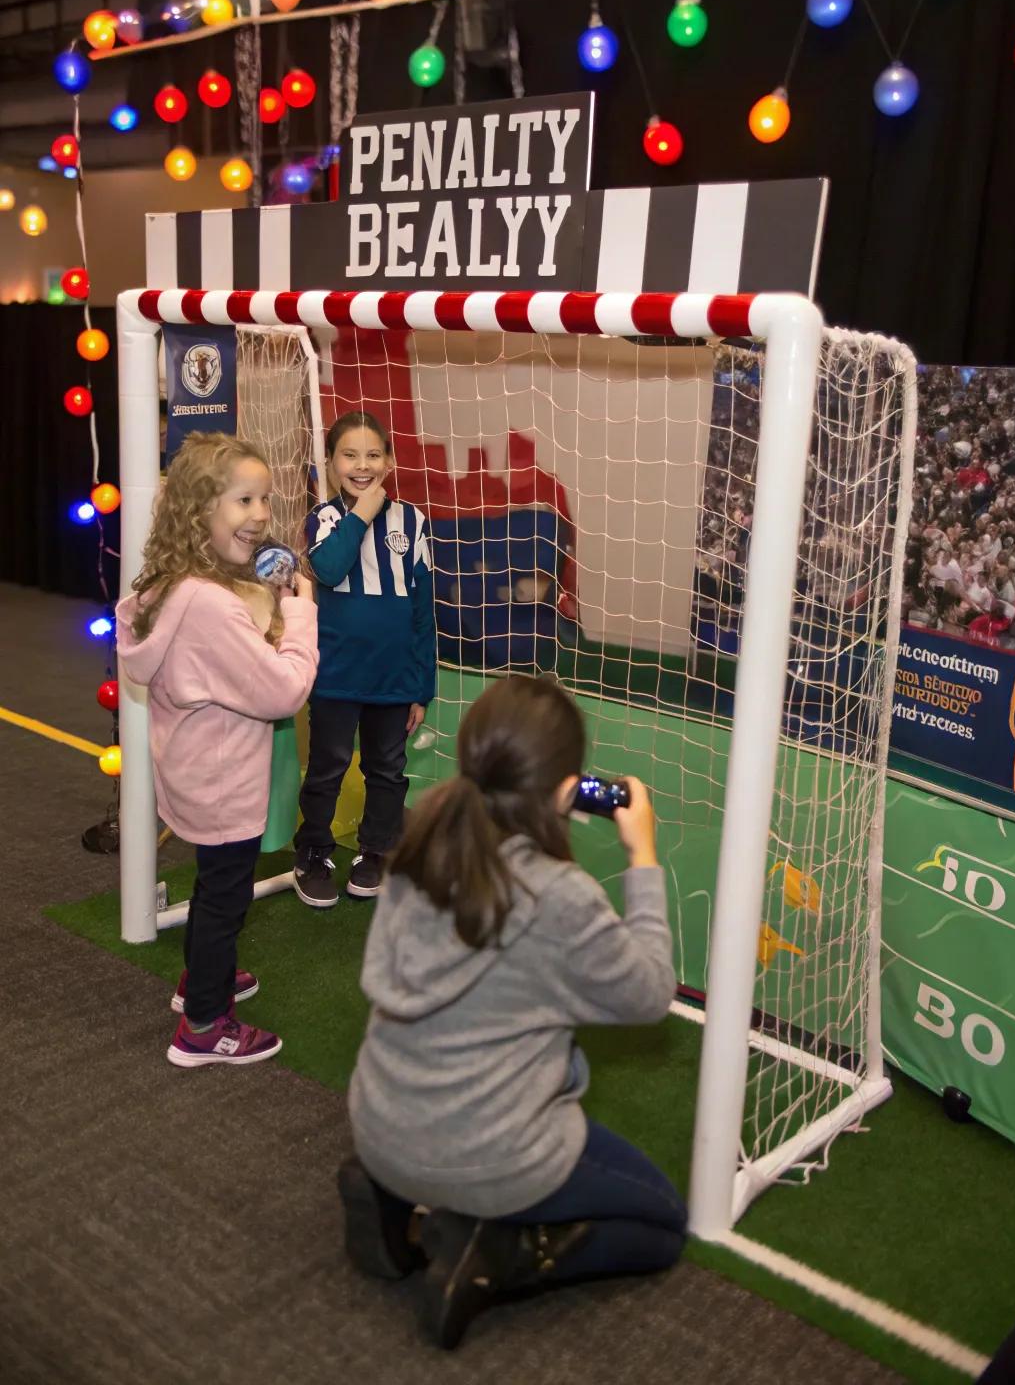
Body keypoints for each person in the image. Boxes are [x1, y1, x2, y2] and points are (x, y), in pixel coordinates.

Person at [339, 675, 685, 1349]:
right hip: (486, 1156)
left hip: (377, 1124)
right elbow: (649, 994)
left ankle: (390, 1194)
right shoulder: (560, 895)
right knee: (662, 1224)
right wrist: (642, 856)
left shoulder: (417, 844)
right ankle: (493, 1253)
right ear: (565, 791)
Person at [116, 432, 318, 1067]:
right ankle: (204, 1026)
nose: (261, 514)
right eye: (243, 500)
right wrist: (300, 617)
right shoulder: (209, 605)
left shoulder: (175, 582)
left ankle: (200, 980)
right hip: (225, 780)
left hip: (193, 770)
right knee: (226, 897)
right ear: (200, 510)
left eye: (265, 499)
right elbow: (284, 690)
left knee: (213, 887)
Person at [292, 411, 436, 908]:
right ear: (331, 465)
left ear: (390, 462)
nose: (362, 464)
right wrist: (363, 512)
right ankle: (312, 854)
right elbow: (328, 571)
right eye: (349, 455)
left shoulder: (414, 521)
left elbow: (422, 608)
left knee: (388, 771)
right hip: (336, 674)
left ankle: (375, 852)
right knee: (327, 768)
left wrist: (422, 686)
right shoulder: (326, 519)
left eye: (373, 454)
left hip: (393, 677)